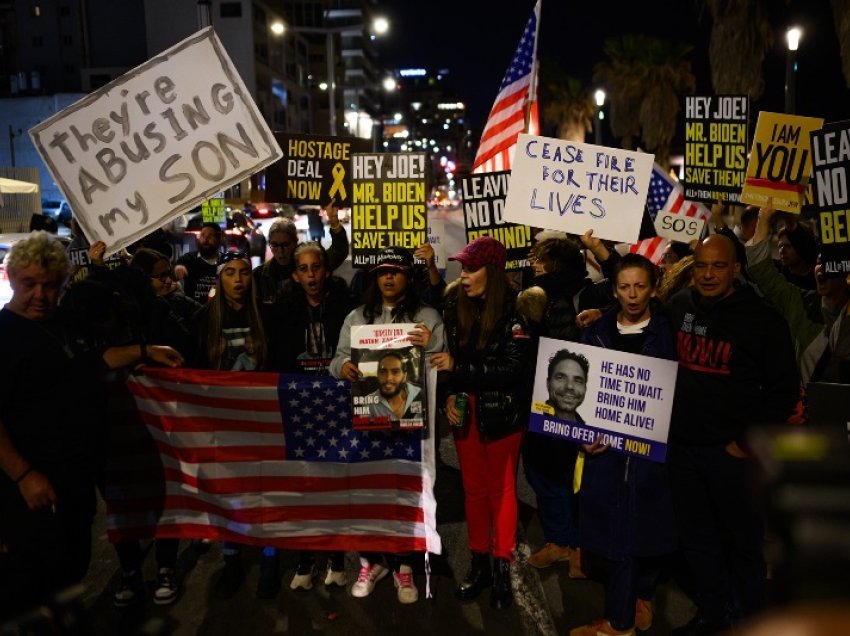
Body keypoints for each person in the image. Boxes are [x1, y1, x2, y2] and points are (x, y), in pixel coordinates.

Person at [0, 232, 182, 620]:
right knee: (30, 589)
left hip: (74, 484)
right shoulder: (4, 337)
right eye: (30, 284)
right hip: (29, 493)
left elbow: (93, 360)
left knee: (69, 575)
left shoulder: (59, 324)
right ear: (12, 279)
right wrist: (24, 475)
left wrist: (146, 351)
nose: (40, 295)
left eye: (50, 285)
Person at [666, 235, 799, 635]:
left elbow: (783, 390)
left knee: (742, 543)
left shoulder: (762, 318)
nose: (707, 274)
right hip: (683, 450)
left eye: (718, 266)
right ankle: (712, 613)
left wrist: (744, 443)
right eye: (701, 265)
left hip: (731, 455)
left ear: (736, 269)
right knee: (697, 540)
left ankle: (750, 621)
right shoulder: (678, 307)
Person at [330, 246, 446, 604]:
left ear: (407, 276)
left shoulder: (427, 316)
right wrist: (343, 369)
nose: (389, 278)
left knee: (406, 493)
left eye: (396, 271)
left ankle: (405, 563)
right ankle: (370, 560)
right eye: (383, 272)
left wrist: (431, 345)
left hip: (412, 426)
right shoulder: (357, 317)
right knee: (368, 492)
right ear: (375, 277)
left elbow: (441, 364)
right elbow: (337, 359)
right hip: (368, 424)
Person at [570, 253, 678, 636]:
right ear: (614, 290)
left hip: (648, 454)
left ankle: (621, 622)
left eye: (640, 286)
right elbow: (576, 392)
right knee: (612, 534)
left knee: (635, 534)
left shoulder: (669, 331)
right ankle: (632, 604)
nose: (633, 295)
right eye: (625, 287)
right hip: (604, 452)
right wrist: (582, 436)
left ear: (653, 288)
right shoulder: (594, 332)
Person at [429, 236, 535, 610]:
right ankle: (479, 564)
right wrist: (447, 400)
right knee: (474, 490)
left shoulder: (516, 315)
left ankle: (503, 566)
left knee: (502, 491)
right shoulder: (454, 305)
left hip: (501, 412)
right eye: (463, 268)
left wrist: (459, 367)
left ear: (491, 272)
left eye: (471, 268)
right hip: (465, 410)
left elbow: (510, 370)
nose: (465, 275)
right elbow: (448, 365)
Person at [190, 250, 278, 598]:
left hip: (261, 421)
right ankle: (232, 559)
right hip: (220, 425)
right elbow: (192, 370)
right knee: (227, 496)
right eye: (230, 273)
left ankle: (270, 559)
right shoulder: (202, 319)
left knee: (264, 493)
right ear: (219, 278)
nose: (238, 280)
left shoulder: (267, 316)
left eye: (244, 272)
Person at [269, 241, 356, 591]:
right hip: (300, 409)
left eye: (316, 267)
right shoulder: (283, 311)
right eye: (303, 269)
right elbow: (276, 361)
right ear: (295, 275)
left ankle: (335, 560)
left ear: (326, 270)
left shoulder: (346, 307)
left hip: (337, 409)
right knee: (302, 487)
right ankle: (305, 560)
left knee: (334, 486)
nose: (311, 275)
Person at [255, 200, 349, 304]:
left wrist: (334, 221)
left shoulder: (312, 263)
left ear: (295, 242)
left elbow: (339, 250)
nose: (280, 251)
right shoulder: (261, 275)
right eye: (275, 245)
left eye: (285, 245)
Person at [364, 351, 422, 421]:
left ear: (404, 376)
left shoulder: (419, 394)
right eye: (383, 372)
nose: (388, 378)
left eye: (395, 372)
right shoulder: (368, 402)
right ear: (378, 375)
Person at [174, 222, 222, 303]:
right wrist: (178, 268)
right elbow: (178, 266)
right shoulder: (189, 258)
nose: (206, 239)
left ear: (218, 239)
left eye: (210, 236)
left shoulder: (224, 261)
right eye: (203, 235)